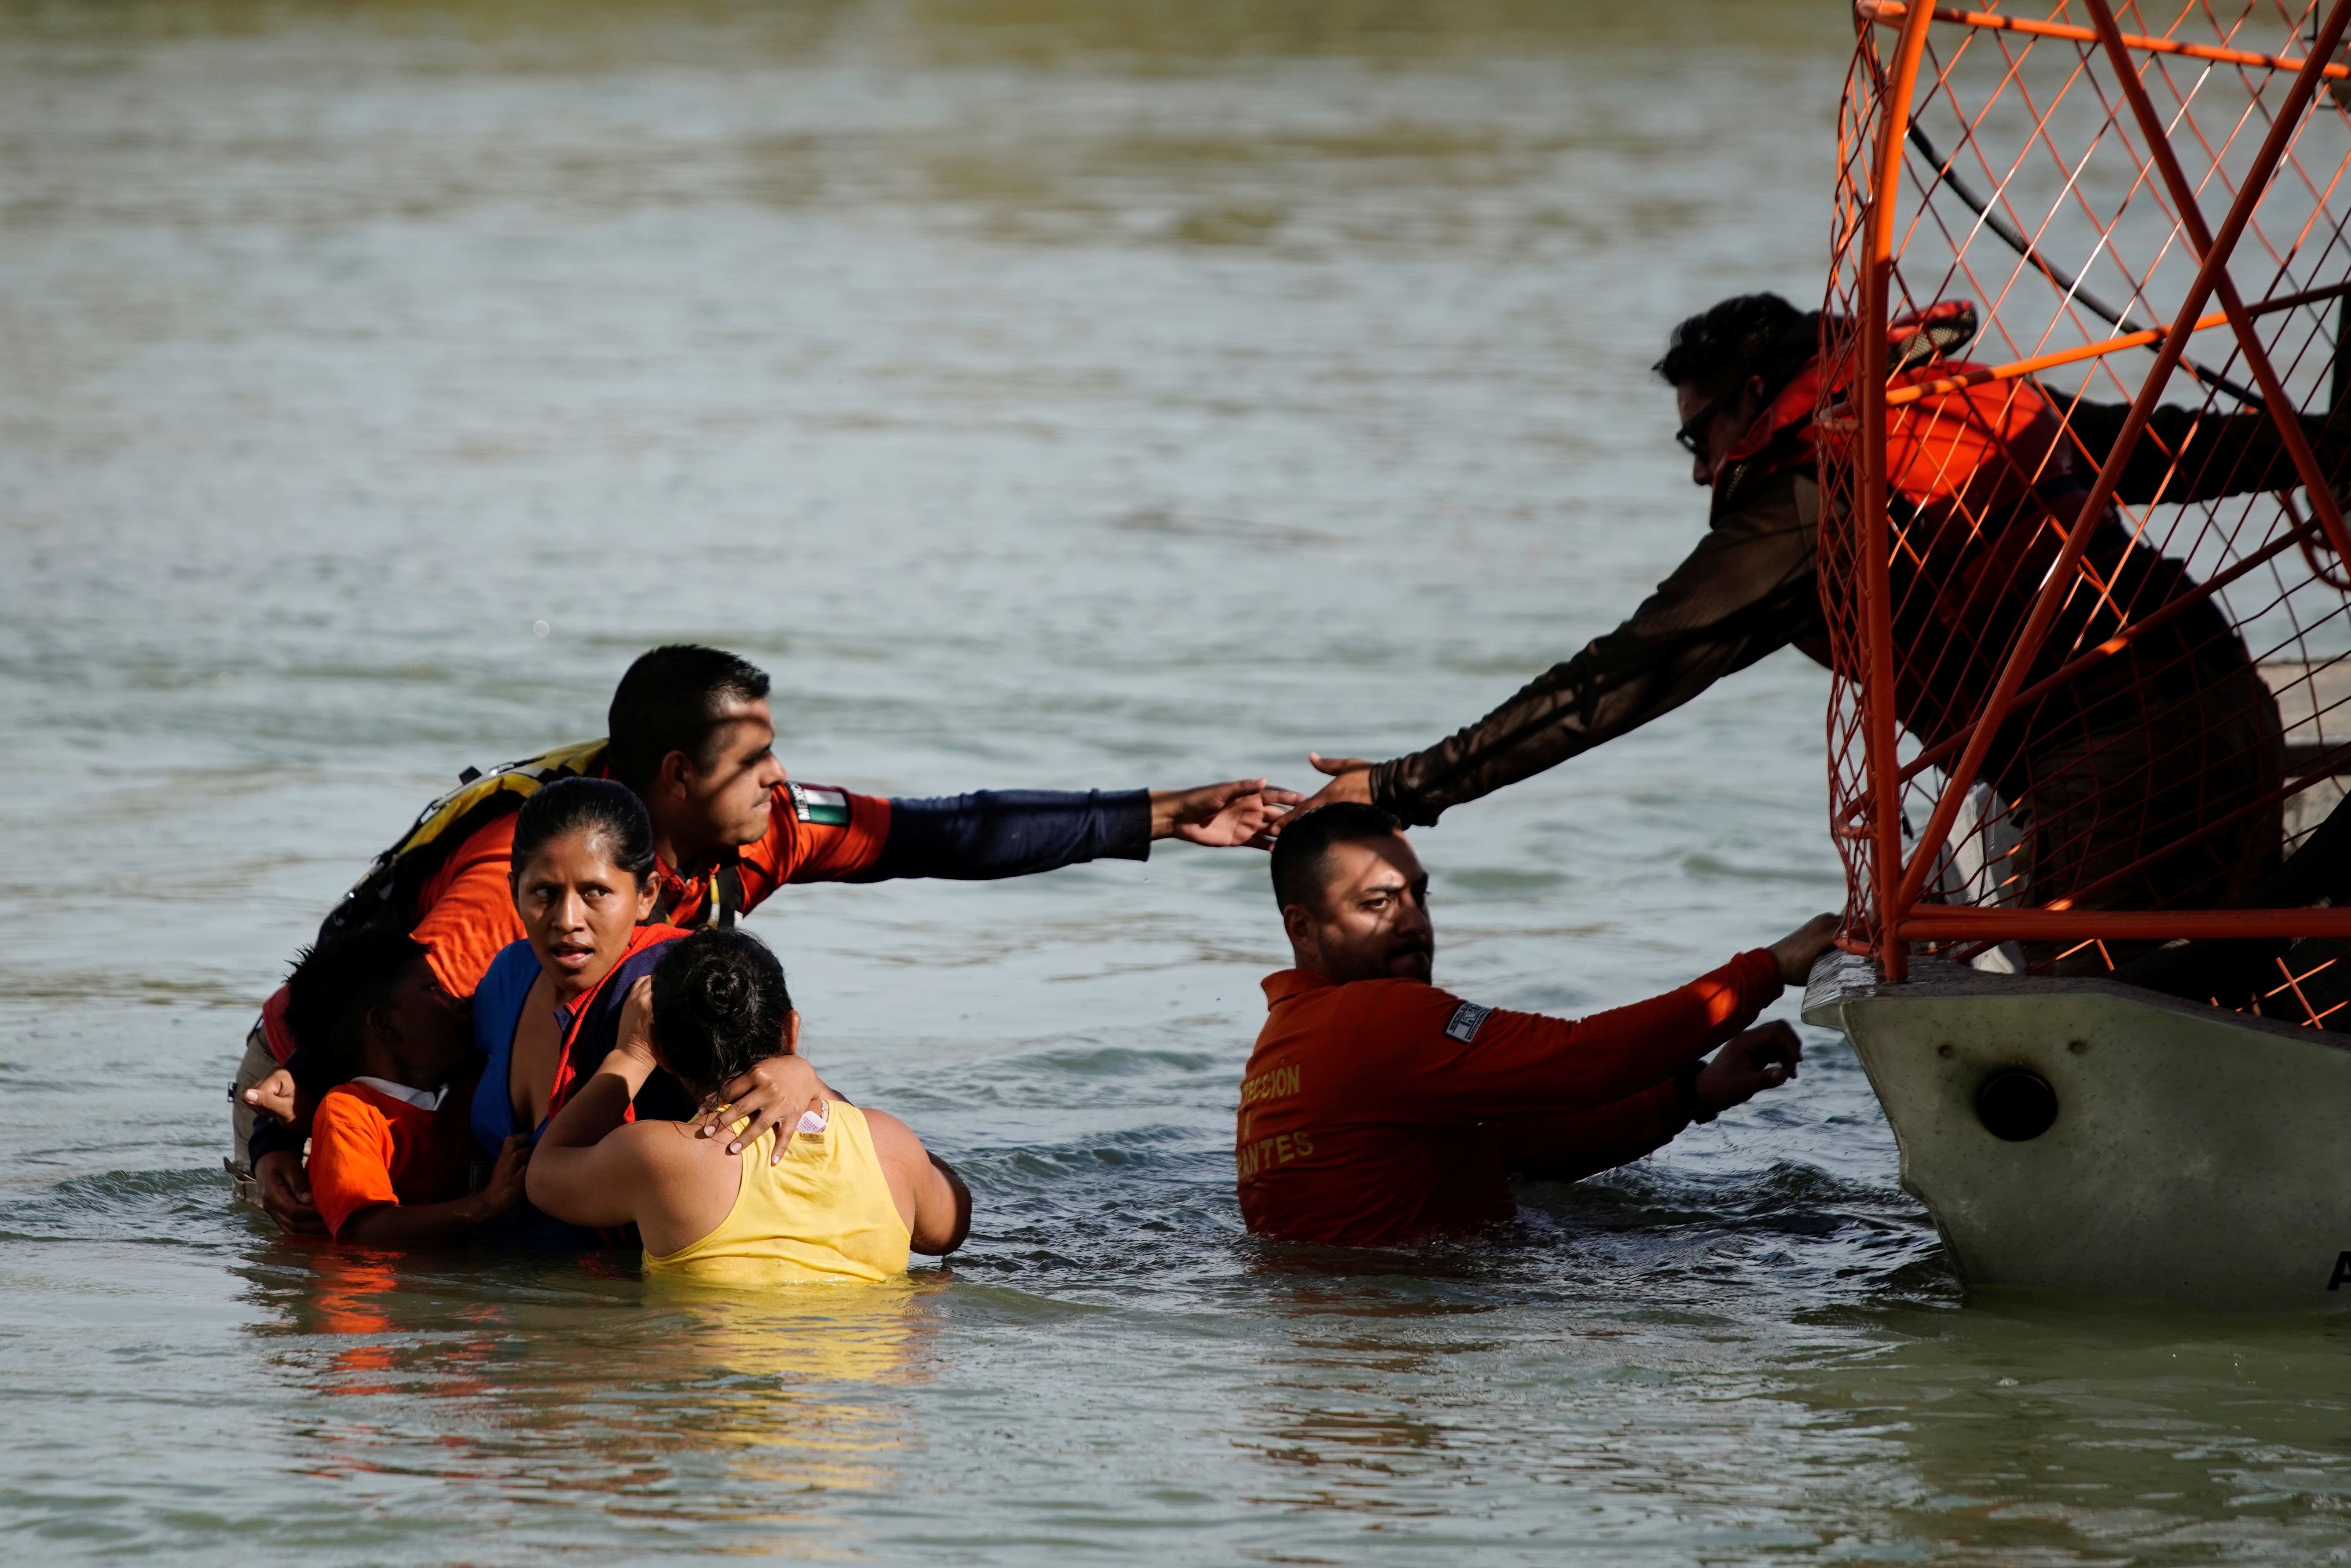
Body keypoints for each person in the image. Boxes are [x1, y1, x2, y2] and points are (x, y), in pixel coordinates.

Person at [1296, 294, 2336, 968]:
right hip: (2228, 709)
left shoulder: (1809, 489)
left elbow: (1623, 677)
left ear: (1754, 397)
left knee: (2097, 1033)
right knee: (2222, 985)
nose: (1702, 472)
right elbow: (2198, 453)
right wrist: (2328, 448)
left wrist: (1403, 788)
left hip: (2108, 758)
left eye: (1698, 438)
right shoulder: (1969, 407)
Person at [239, 643, 1298, 1231]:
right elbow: (391, 1023)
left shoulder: (763, 825)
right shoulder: (532, 879)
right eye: (755, 763)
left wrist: (1161, 815)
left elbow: (942, 831)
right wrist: (285, 1135)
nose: (781, 784)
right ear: (674, 780)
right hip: (327, 1054)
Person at [1236, 802, 1837, 1246]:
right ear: (1302, 928)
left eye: (1419, 896)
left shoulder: (1285, 1042)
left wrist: (1690, 1092)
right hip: (1412, 1323)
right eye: (1377, 903)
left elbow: (1514, 1146)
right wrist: (1765, 971)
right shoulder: (1375, 1018)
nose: (1414, 922)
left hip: (1353, 1332)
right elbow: (1582, 1059)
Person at [528, 928, 968, 1282]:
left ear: (662, 1049)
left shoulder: (660, 1155)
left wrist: (631, 1056)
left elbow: (543, 1177)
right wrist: (820, 1087)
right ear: (791, 1031)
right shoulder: (889, 1144)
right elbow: (951, 1227)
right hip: (861, 1386)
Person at [280, 928, 531, 1246]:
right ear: (384, 1024)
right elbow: (367, 1229)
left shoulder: (466, 1090)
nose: (456, 1003)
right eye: (433, 989)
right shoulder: (347, 1113)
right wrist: (486, 1205)